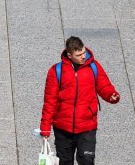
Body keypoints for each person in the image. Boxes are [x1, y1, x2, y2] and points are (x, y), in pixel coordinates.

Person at [40, 36, 121, 165]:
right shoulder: (56, 71)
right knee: (65, 162)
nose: (83, 56)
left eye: (83, 52)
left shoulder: (93, 66)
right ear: (69, 55)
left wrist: (111, 95)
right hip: (62, 127)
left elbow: (104, 86)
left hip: (87, 125)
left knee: (87, 160)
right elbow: (49, 101)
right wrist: (45, 127)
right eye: (79, 55)